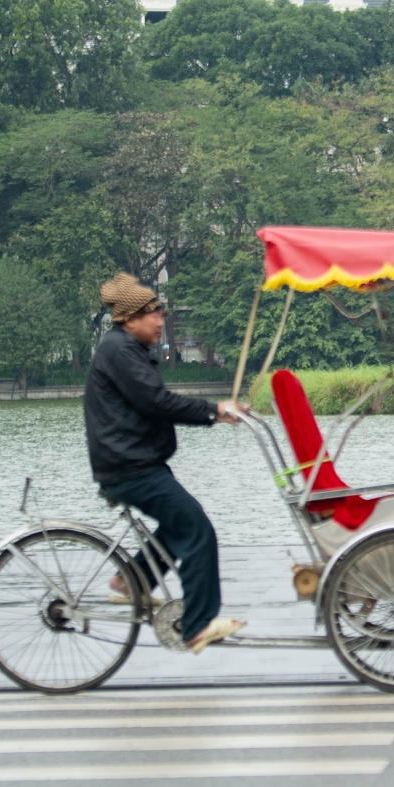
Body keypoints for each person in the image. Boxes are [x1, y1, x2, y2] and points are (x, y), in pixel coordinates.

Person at [84, 273, 246, 654]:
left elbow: (157, 402)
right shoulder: (120, 351)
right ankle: (197, 626)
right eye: (153, 314)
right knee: (197, 528)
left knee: (178, 525)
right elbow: (158, 402)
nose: (160, 321)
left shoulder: (124, 348)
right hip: (130, 468)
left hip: (135, 463)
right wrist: (214, 410)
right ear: (130, 319)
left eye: (161, 313)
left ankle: (131, 584)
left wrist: (215, 413)